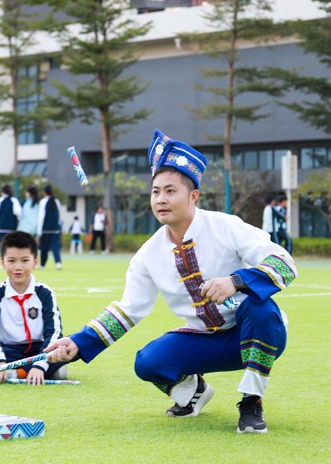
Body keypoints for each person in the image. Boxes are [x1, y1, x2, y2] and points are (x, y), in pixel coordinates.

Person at [45, 128, 297, 434]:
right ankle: (194, 392)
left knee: (261, 308)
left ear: (193, 196)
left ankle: (251, 400)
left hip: (258, 333)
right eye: (155, 191)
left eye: (170, 191)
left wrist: (237, 281)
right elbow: (128, 310)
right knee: (148, 362)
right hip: (205, 341)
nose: (160, 199)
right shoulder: (147, 254)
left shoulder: (226, 227)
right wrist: (77, 342)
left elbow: (285, 263)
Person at [0, 231, 67, 385]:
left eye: (25, 260)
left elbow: (54, 331)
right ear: (2, 263)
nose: (18, 267)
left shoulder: (44, 292)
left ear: (35, 262)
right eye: (11, 261)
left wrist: (39, 364)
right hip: (8, 350)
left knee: (66, 346)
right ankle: (43, 370)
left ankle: (18, 373)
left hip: (38, 350)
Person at [37, 185, 63, 270]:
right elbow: (59, 216)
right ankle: (58, 263)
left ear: (44, 192)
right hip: (55, 229)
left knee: (44, 248)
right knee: (55, 247)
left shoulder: (43, 202)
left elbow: (41, 217)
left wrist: (39, 231)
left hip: (45, 229)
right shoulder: (56, 201)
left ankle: (42, 265)